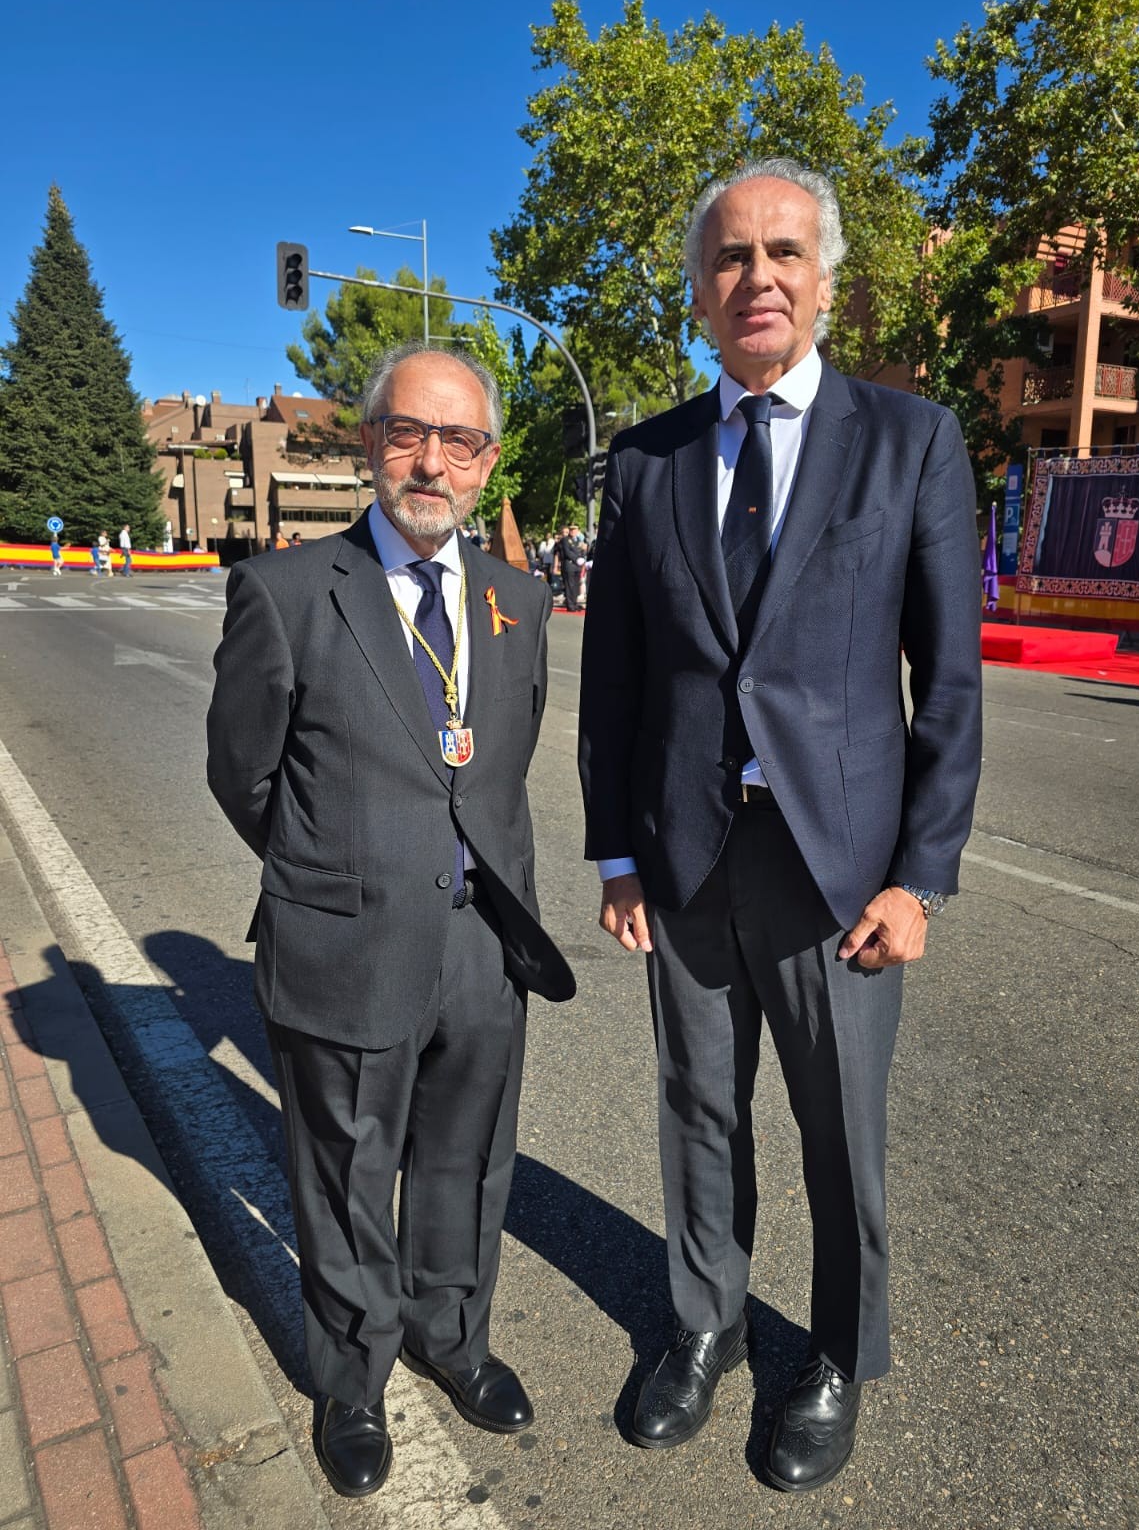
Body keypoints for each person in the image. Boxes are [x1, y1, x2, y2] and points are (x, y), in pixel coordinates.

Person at [578, 159, 982, 1493]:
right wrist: (619, 851)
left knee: (838, 1130)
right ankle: (703, 1325)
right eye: (732, 258)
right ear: (700, 293)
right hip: (689, 856)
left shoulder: (911, 442)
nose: (759, 277)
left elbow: (950, 681)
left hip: (841, 872)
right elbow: (619, 682)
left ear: (825, 279)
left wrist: (921, 875)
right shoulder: (645, 463)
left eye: (785, 253)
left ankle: (837, 1356)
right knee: (700, 1110)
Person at [207, 343, 574, 1501]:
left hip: (483, 940)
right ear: (370, 446)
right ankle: (354, 1377)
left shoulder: (519, 599)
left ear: (487, 463)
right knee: (347, 1171)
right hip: (347, 937)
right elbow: (243, 776)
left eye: (458, 440)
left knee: (467, 1163)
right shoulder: (286, 591)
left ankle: (450, 1337)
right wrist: (338, 871)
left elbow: (498, 769)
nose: (431, 460)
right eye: (408, 433)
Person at [554, 523, 585, 612]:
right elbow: (567, 552)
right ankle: (570, 605)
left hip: (577, 566)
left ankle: (574, 603)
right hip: (569, 565)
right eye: (571, 530)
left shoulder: (578, 540)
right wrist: (576, 559)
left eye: (575, 529)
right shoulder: (565, 540)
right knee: (569, 585)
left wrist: (582, 558)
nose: (573, 531)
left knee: (575, 586)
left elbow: (581, 550)